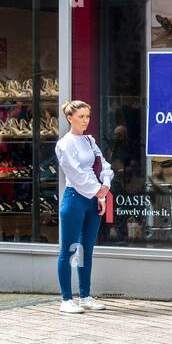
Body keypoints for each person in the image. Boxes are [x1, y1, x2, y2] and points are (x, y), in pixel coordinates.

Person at [54, 100, 113, 314]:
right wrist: (98, 190)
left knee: (86, 249)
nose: (85, 120)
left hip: (93, 198)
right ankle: (66, 299)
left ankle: (85, 296)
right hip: (75, 198)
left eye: (88, 116)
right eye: (81, 117)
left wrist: (105, 187)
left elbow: (103, 164)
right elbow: (75, 174)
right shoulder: (64, 144)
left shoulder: (90, 140)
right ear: (70, 118)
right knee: (68, 250)